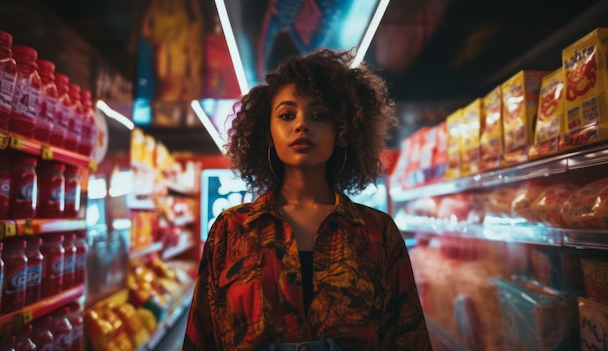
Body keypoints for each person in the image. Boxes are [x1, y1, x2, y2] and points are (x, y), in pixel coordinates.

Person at [183, 49, 432, 351]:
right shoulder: (231, 229)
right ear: (267, 133)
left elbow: (408, 338)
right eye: (287, 115)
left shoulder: (377, 232)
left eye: (319, 115)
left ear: (342, 130)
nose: (302, 125)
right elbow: (201, 339)